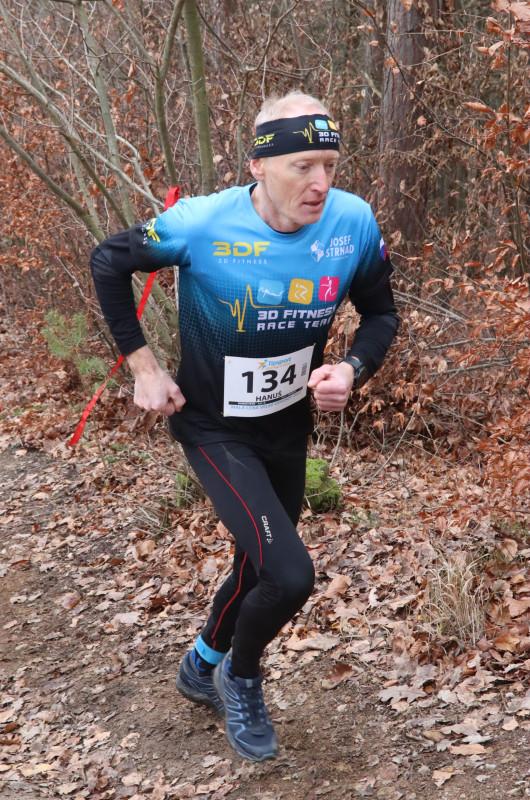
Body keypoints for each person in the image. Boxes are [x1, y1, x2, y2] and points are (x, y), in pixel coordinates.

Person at [90, 90, 399, 762]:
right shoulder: (201, 223)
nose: (320, 183)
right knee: (289, 574)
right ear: (259, 165)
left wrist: (352, 369)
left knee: (257, 566)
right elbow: (109, 261)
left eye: (330, 165)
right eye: (303, 166)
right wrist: (144, 367)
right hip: (213, 427)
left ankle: (201, 661)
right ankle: (242, 675)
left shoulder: (351, 222)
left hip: (286, 425)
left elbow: (381, 313)